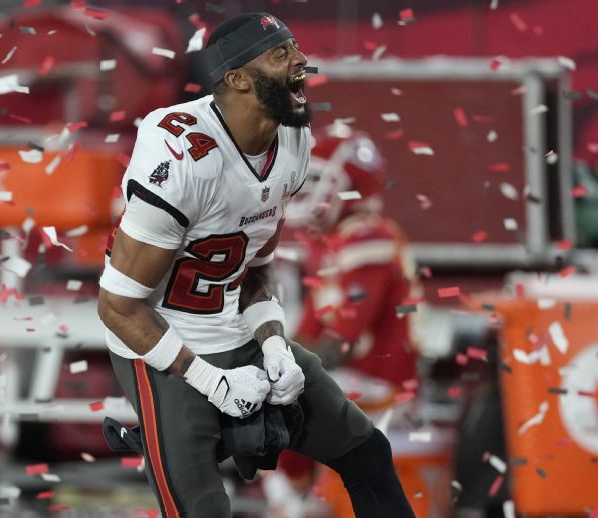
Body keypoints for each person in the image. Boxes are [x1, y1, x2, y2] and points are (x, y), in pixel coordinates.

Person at [96, 12, 415, 517]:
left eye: (295, 47)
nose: (301, 60)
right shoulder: (181, 155)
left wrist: (273, 342)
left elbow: (254, 268)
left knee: (367, 453)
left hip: (234, 329)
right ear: (238, 78)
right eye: (281, 53)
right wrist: (210, 381)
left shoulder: (292, 142)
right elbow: (117, 307)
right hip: (163, 347)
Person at [262, 126, 424, 515]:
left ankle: (296, 503)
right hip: (353, 379)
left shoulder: (370, 237)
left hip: (380, 385)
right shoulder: (333, 243)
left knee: (278, 403)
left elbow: (344, 341)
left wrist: (275, 368)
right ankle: (296, 499)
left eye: (317, 179)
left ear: (352, 185)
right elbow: (309, 332)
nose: (304, 191)